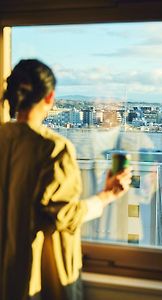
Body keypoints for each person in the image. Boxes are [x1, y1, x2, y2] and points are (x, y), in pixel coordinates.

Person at [0, 59, 131, 300]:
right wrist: (107, 196)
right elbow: (65, 215)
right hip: (32, 275)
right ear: (49, 98)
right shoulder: (52, 148)